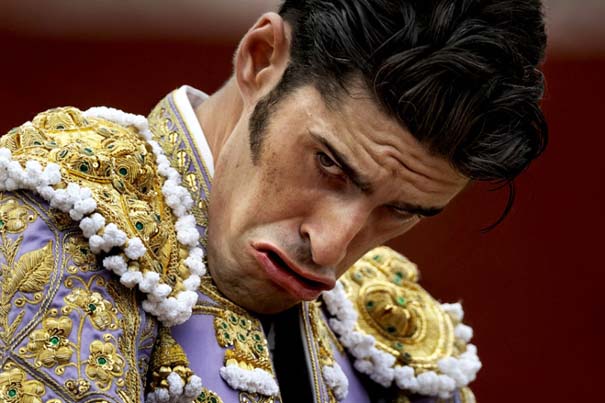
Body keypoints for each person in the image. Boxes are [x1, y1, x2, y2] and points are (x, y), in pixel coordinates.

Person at [0, 0, 547, 402]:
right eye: (329, 164)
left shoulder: (387, 342)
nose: (331, 249)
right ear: (260, 61)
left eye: (401, 210)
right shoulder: (63, 219)